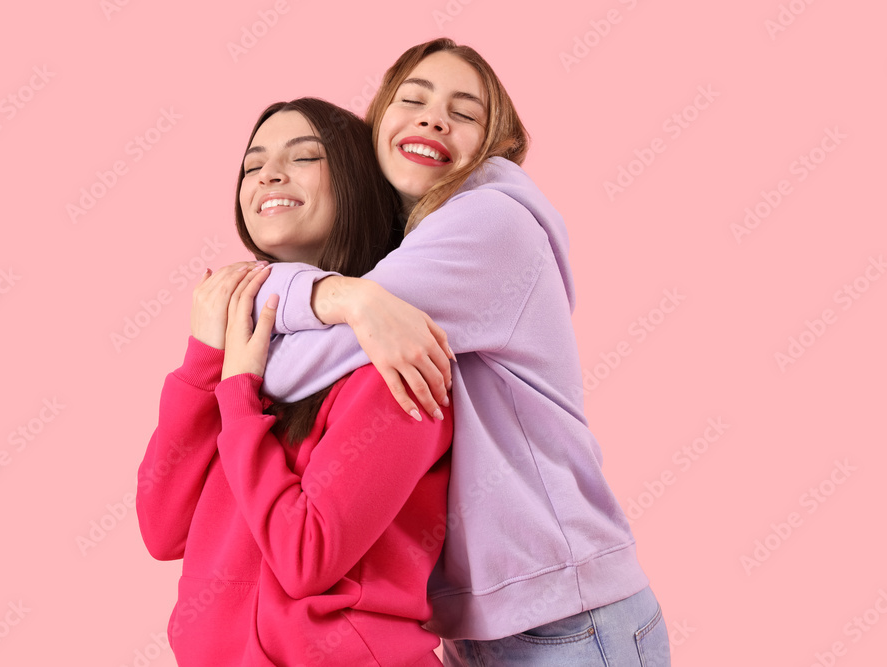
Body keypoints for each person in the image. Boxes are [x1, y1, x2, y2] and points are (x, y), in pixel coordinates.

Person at [248, 39, 672, 665]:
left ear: (495, 143)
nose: (432, 118)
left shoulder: (487, 224)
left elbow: (281, 370)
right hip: (481, 621)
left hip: (569, 615)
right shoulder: (405, 249)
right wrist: (353, 301)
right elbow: (278, 302)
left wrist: (327, 312)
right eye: (411, 100)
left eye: (465, 112)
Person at [136, 97, 453, 666]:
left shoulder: (396, 358)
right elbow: (162, 530)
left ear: (357, 181)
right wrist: (204, 363)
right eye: (252, 165)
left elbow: (306, 557)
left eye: (304, 157)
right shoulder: (251, 352)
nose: (269, 176)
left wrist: (237, 398)